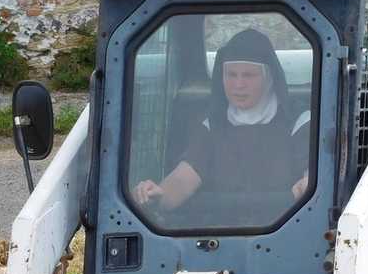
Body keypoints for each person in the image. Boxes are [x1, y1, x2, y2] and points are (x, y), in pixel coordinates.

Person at [132, 28, 311, 217]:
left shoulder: (299, 123)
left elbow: (311, 182)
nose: (238, 85)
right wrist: (157, 195)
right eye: (231, 74)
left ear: (269, 78)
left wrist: (307, 182)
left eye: (249, 75)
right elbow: (184, 178)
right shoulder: (212, 126)